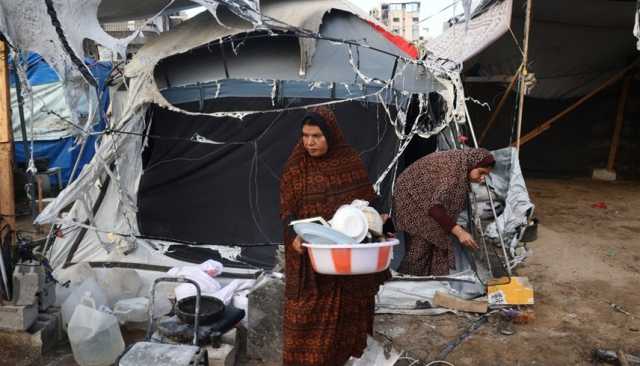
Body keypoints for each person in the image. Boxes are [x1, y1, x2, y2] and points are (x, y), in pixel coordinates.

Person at [279, 106, 389, 366]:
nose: (309, 142)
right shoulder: (296, 168)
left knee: (347, 326)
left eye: (316, 136)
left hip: (347, 262)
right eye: (305, 136)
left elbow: (370, 203)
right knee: (303, 324)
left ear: (331, 134)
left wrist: (379, 222)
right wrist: (293, 234)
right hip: (312, 260)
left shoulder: (348, 162)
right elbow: (287, 211)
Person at [392, 148, 495, 276]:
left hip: (424, 196)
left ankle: (428, 282)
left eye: (486, 175)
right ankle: (407, 283)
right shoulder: (452, 174)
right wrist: (460, 232)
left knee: (432, 243)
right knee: (420, 248)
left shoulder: (461, 164)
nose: (482, 178)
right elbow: (435, 208)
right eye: (481, 173)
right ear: (473, 164)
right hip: (411, 198)